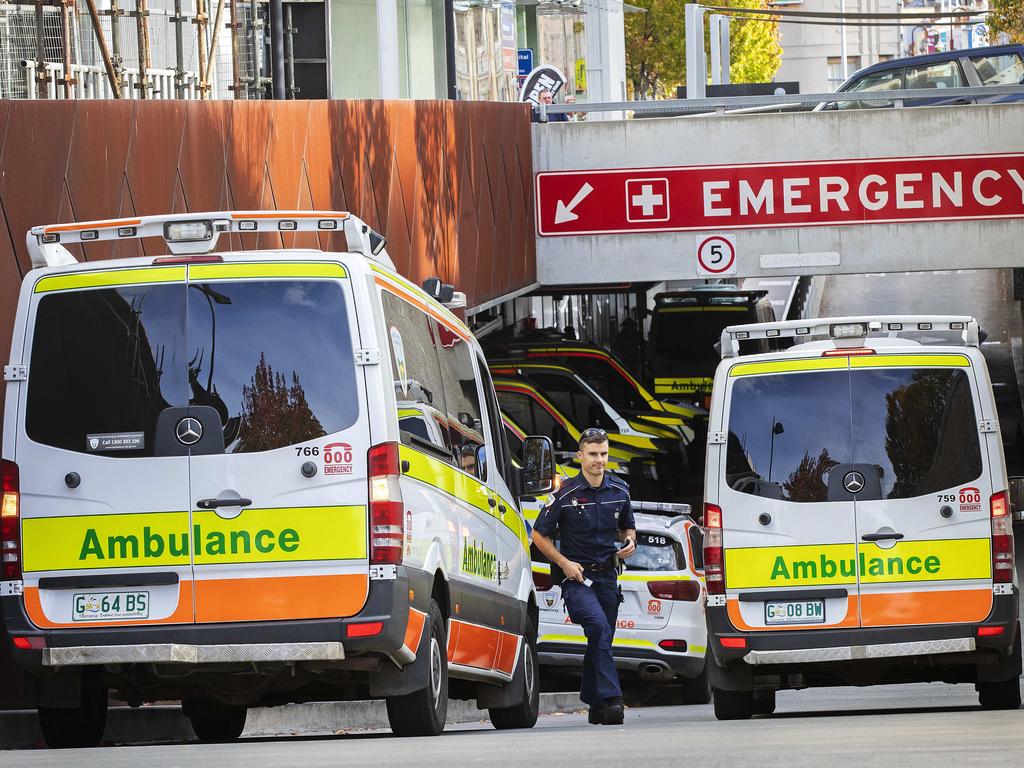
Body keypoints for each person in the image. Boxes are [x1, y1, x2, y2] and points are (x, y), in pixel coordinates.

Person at [530, 428, 636, 725]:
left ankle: (595, 704)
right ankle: (613, 700)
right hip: (576, 579)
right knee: (599, 628)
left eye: (603, 454)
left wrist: (630, 543)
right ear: (580, 456)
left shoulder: (620, 490)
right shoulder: (564, 494)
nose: (599, 460)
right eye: (593, 454)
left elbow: (628, 527)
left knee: (601, 639)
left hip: (608, 578)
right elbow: (539, 535)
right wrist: (564, 563)